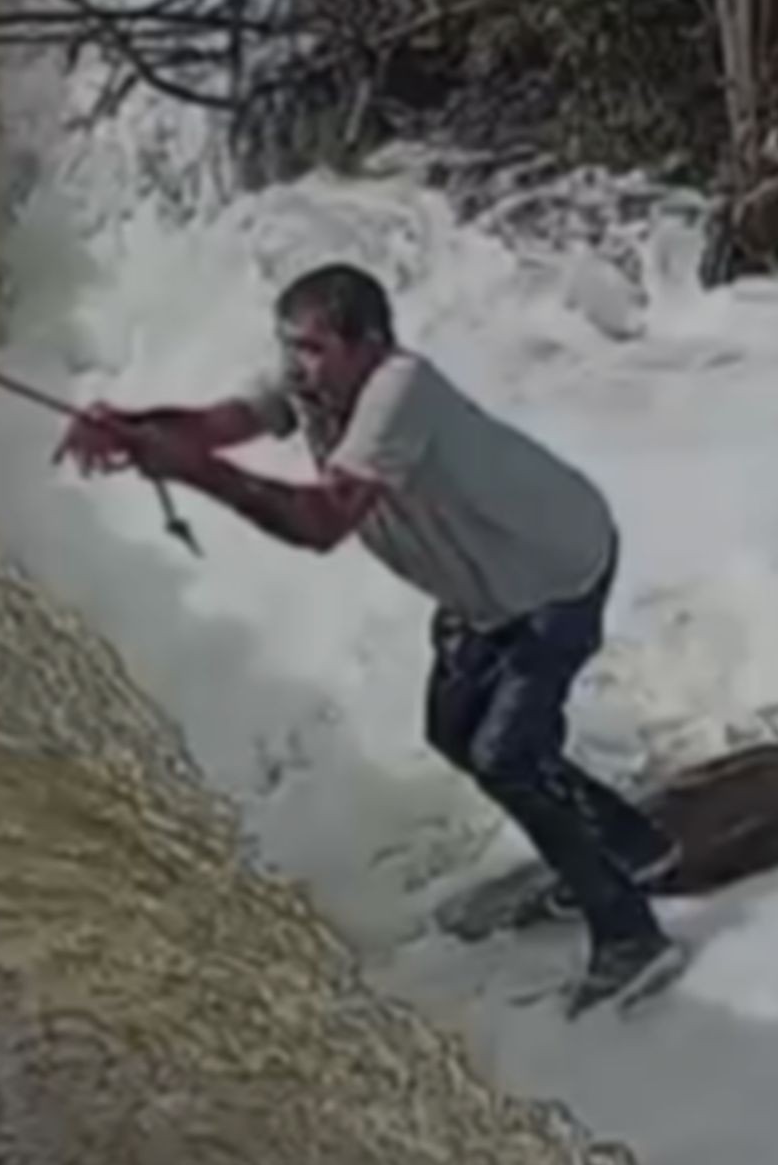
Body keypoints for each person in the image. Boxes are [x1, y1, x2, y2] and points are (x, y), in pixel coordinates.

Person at [54, 262, 684, 1016]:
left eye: (314, 348)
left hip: (556, 575)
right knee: (453, 730)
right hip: (481, 594)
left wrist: (194, 474)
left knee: (506, 755)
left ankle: (630, 935)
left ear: (371, 345)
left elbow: (320, 522)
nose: (296, 365)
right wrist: (132, 426)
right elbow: (222, 423)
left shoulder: (397, 393)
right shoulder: (311, 386)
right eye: (289, 347)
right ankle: (635, 844)